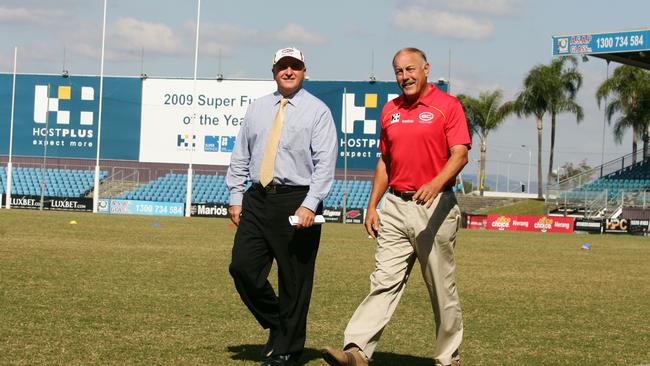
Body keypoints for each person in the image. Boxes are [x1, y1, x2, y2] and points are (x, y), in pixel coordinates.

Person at [321, 47, 471, 366]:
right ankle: (357, 351)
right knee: (384, 280)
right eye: (399, 72)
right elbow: (385, 161)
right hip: (394, 206)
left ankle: (448, 358)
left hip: (435, 207)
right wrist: (372, 205)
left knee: (441, 288)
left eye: (410, 69)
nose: (405, 77)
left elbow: (460, 154)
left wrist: (435, 183)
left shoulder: (449, 106)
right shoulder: (389, 110)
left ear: (426, 69)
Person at [226, 47, 337, 366]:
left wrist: (310, 205)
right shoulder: (258, 107)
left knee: (294, 280)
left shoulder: (318, 111)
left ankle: (287, 348)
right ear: (273, 70)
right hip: (258, 198)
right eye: (283, 66)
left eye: (295, 66)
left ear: (305, 70)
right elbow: (240, 155)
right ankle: (280, 325)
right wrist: (236, 196)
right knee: (242, 268)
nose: (289, 71)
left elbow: (324, 164)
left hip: (297, 199)